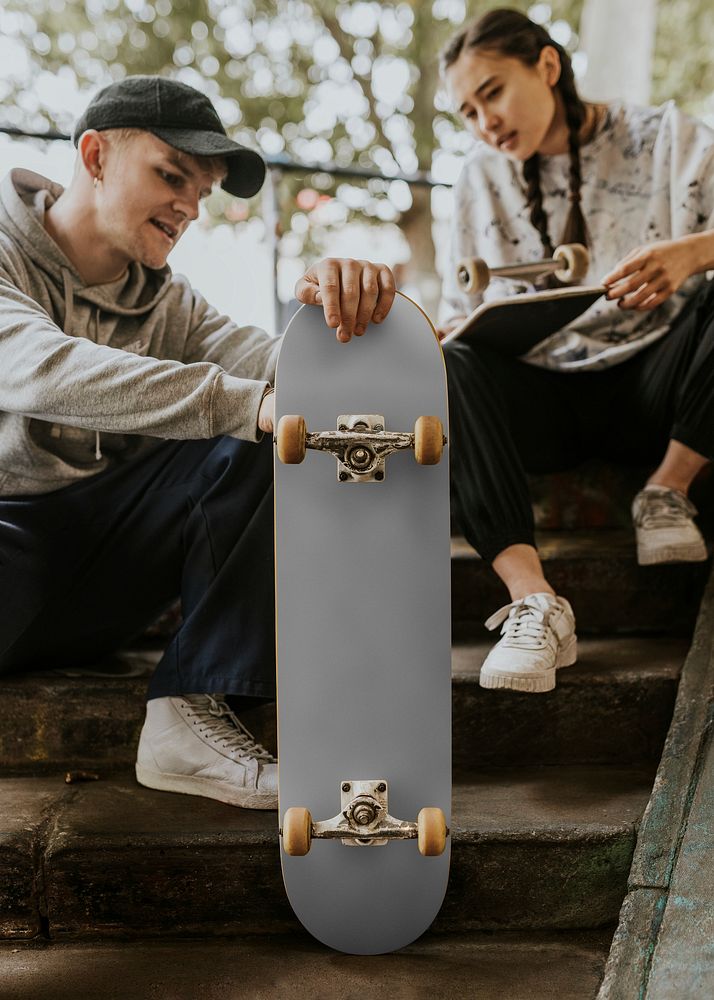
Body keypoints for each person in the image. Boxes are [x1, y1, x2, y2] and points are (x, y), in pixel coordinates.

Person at [0, 76, 396, 808]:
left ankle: (190, 709)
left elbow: (277, 362)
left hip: (95, 587)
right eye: (171, 174)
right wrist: (247, 404)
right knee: (249, 418)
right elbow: (38, 370)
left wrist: (351, 309)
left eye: (203, 190)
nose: (189, 205)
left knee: (270, 436)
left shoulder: (165, 299)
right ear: (94, 156)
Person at [438, 9, 714, 693]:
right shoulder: (478, 177)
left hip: (660, 389)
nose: (484, 123)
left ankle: (667, 491)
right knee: (448, 361)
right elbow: (460, 310)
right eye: (468, 112)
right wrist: (446, 333)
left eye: (493, 93)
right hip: (543, 403)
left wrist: (694, 252)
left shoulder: (670, 138)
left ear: (549, 68)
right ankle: (534, 603)